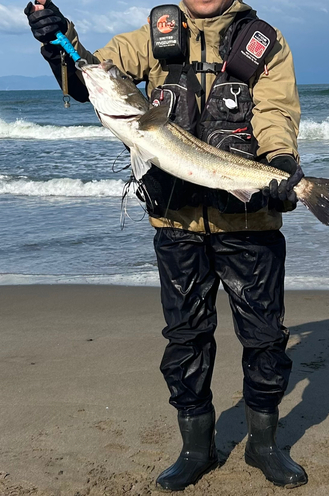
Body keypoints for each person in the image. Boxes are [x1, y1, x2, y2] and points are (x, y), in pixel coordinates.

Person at [25, 0, 308, 491]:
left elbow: (276, 110)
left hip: (249, 220)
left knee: (264, 337)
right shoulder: (153, 37)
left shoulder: (266, 39)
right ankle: (196, 447)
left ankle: (263, 444)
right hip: (176, 219)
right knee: (186, 337)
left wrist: (282, 162)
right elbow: (87, 72)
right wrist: (57, 41)